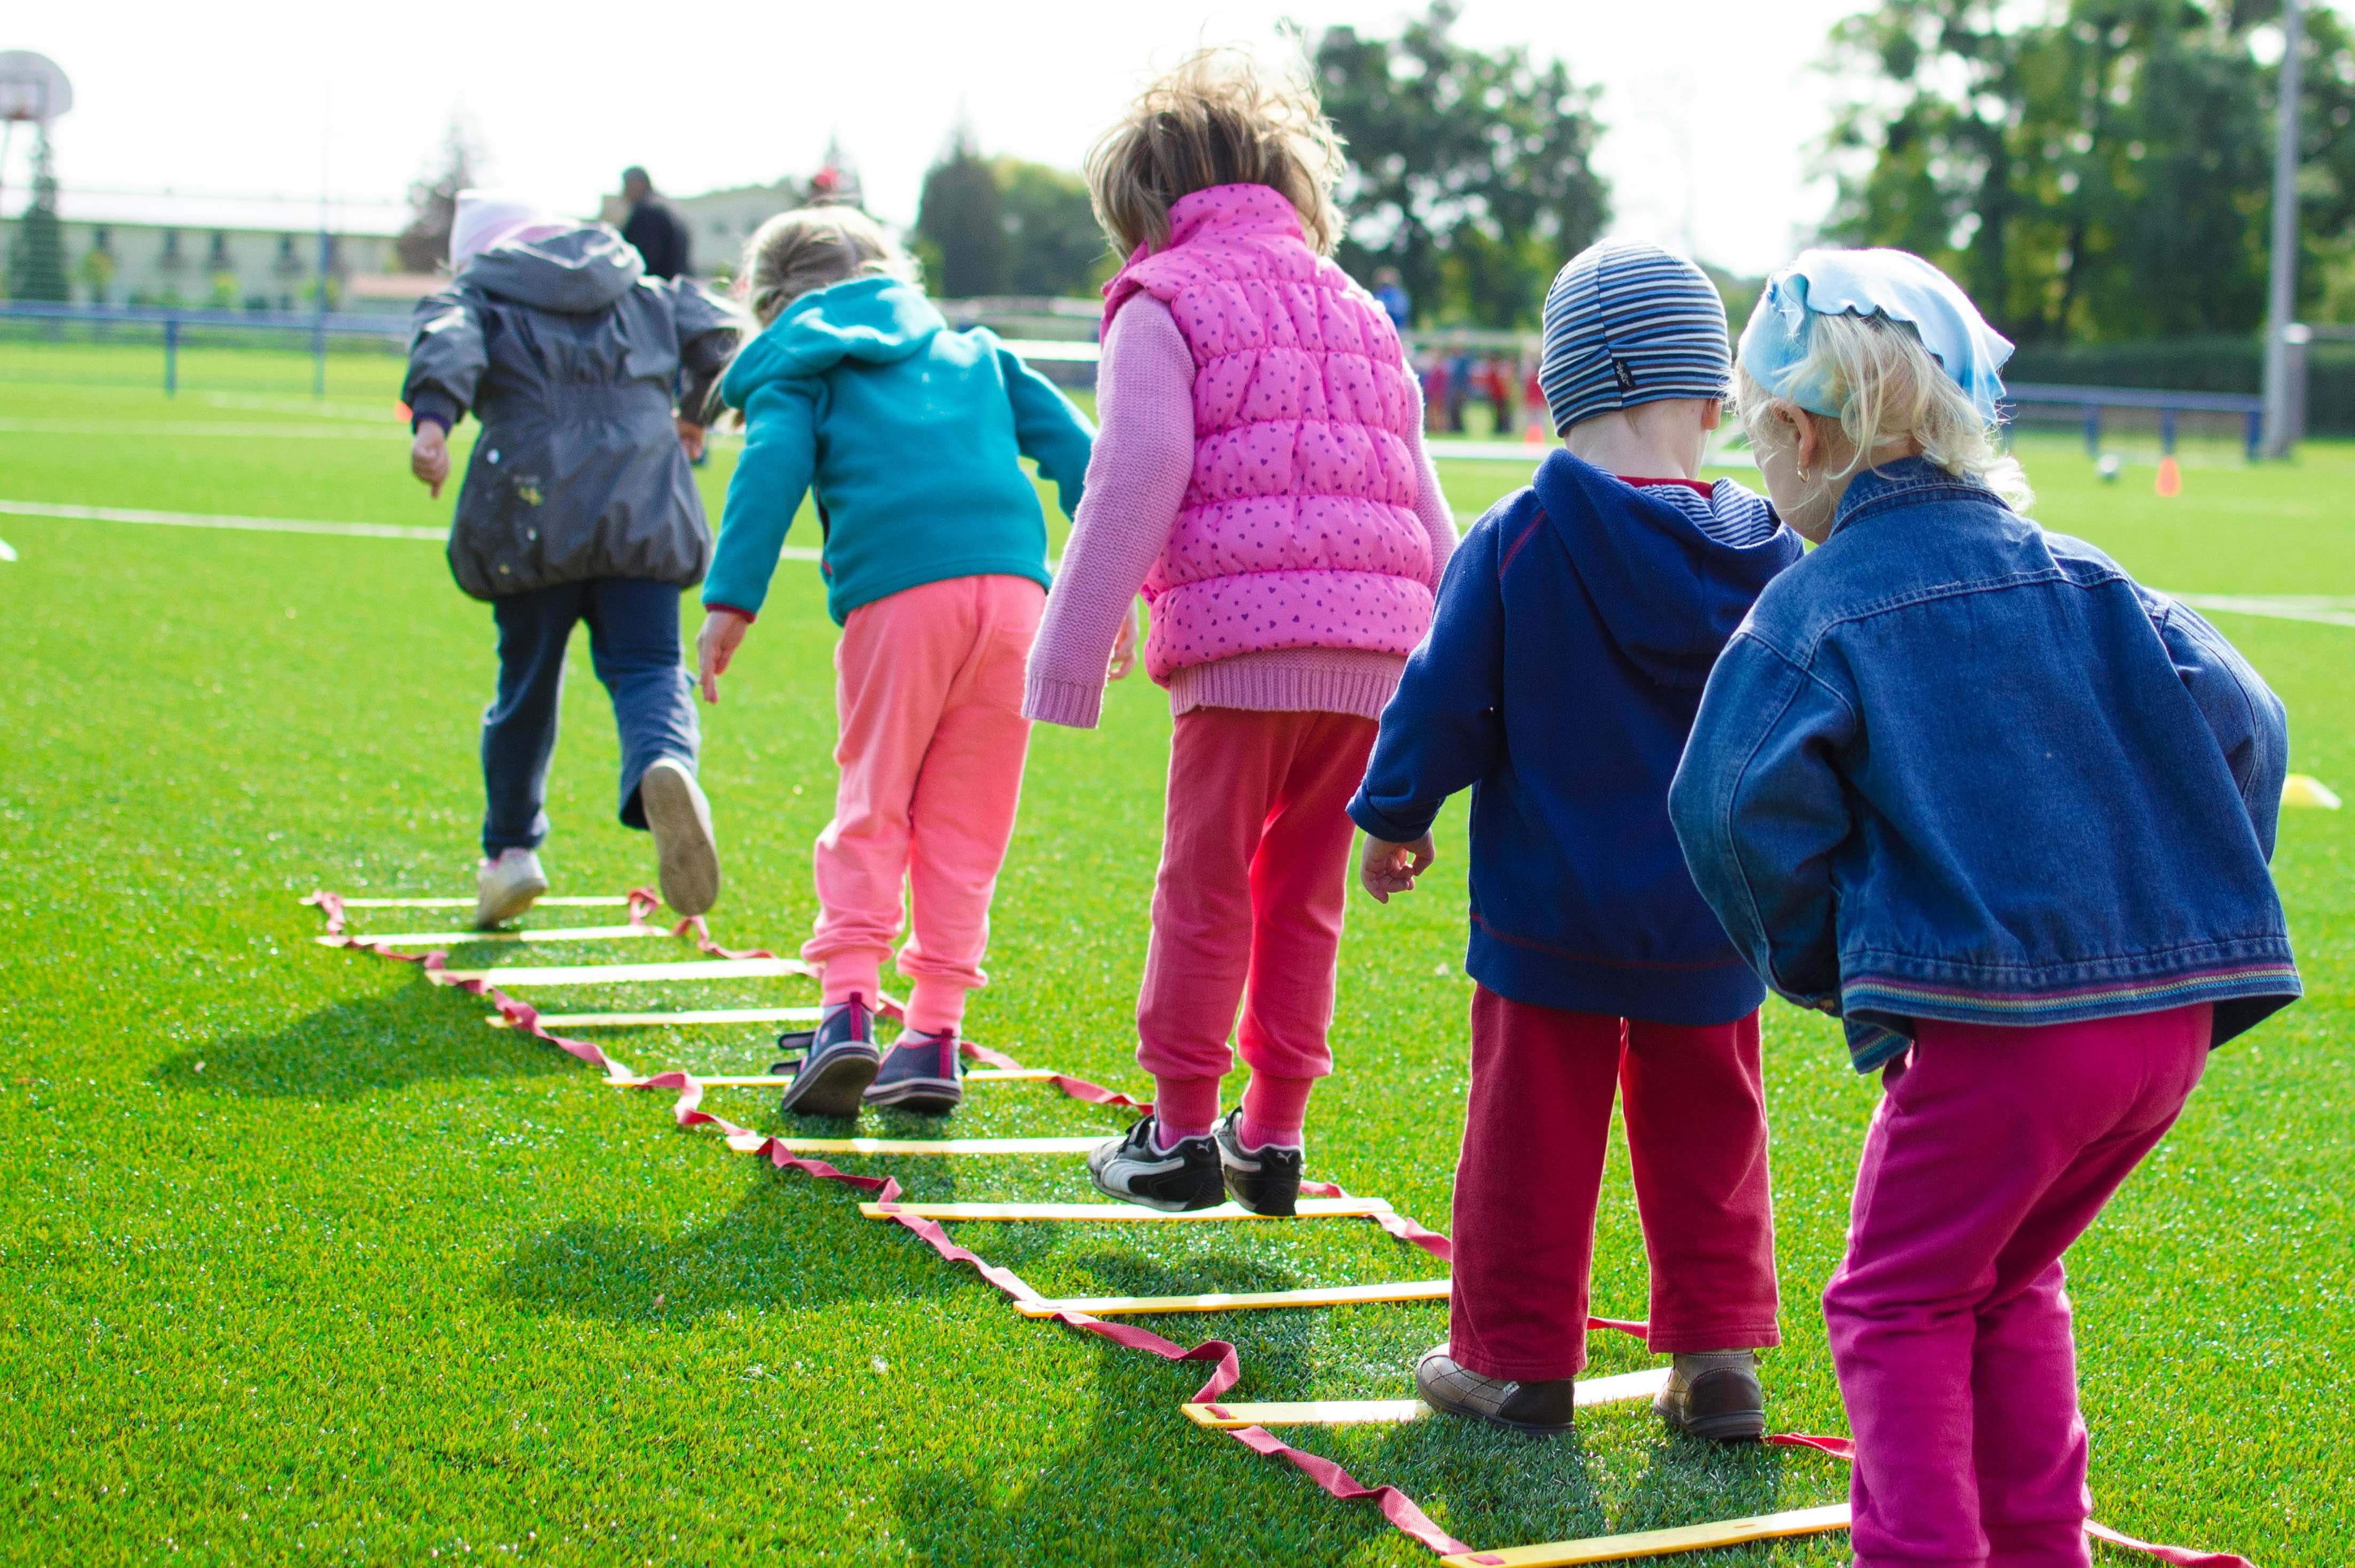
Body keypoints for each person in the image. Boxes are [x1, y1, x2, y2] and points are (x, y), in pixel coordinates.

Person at [1669, 249, 2300, 1566]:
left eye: (1757, 439)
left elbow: (1722, 805)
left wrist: (1833, 966)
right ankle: (2035, 1545)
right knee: (2005, 1278)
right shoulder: (2089, 573)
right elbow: (2250, 721)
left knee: (1892, 1303)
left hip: (1997, 1035)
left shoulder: (1815, 603)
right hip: (2160, 1032)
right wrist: (2186, 910)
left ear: (1799, 434)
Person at [1351, 241, 1801, 1441]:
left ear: (1553, 391)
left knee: (1528, 1137)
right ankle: (1717, 1362)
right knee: (1712, 1131)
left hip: (1545, 910)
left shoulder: (1518, 535)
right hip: (1713, 914)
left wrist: (1394, 816)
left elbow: (1442, 697)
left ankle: (1515, 1360)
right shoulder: (1776, 553)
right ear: (1712, 400)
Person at [1025, 49, 1458, 1215]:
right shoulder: (1360, 306)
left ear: (1145, 207)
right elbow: (1424, 500)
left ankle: (1174, 1135)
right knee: (1302, 892)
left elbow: (1142, 464)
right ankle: (1270, 1135)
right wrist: (1461, 677)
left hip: (1242, 648)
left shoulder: (1160, 299)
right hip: (1379, 656)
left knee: (1204, 884)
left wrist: (1072, 643)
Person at [694, 207, 1093, 1119]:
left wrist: (731, 600)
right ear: (890, 272)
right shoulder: (978, 352)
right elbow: (1086, 456)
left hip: (901, 597)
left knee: (873, 800)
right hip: (1016, 602)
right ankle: (934, 1035)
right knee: (968, 824)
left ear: (769, 302)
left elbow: (772, 468)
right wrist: (1115, 581)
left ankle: (845, 1014)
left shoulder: (802, 364)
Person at [404, 191, 733, 930]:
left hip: (530, 510)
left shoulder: (481, 293)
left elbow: (448, 340)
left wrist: (432, 421)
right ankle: (664, 761)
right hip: (644, 501)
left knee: (526, 682)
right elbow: (717, 333)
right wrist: (693, 412)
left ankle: (511, 852)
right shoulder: (638, 285)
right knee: (650, 665)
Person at [619, 167, 691, 281]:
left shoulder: (647, 212)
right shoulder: (668, 207)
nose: (623, 192)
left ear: (639, 184)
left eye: (626, 185)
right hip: (677, 288)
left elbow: (642, 260)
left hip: (657, 290)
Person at [1370, 265, 1411, 330]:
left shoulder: (1400, 295)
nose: (1386, 280)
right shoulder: (1377, 295)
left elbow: (1401, 313)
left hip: (1400, 329)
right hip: (1382, 329)